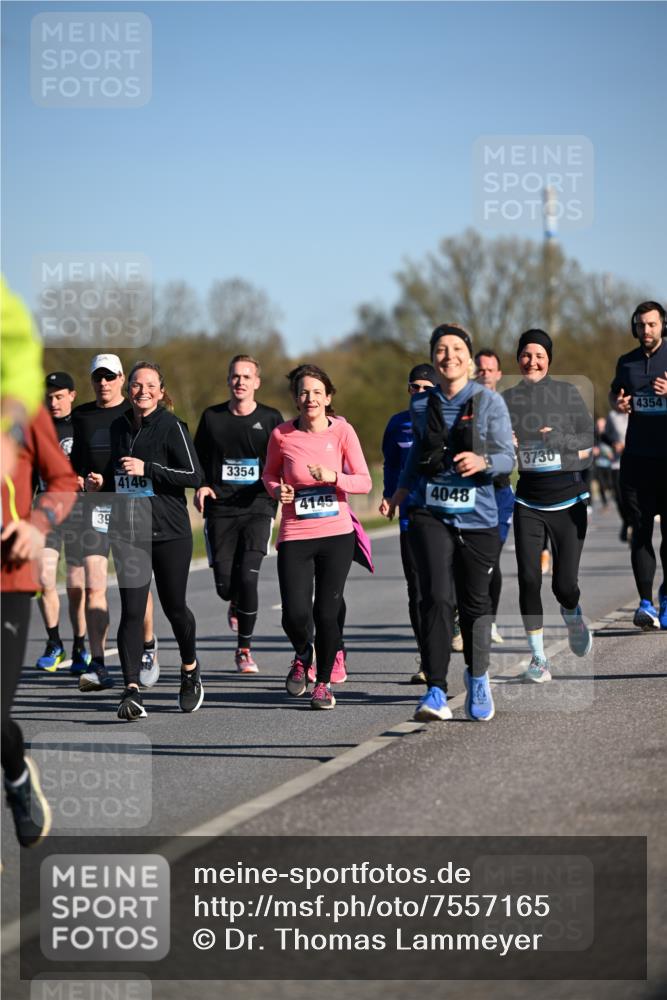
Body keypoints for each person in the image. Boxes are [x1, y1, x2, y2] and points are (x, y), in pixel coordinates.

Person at [387, 324, 515, 723]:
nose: (449, 355)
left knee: (475, 604)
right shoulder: (421, 405)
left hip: (479, 516)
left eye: (457, 348)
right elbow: (416, 455)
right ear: (434, 357)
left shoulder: (489, 402)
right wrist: (401, 490)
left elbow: (507, 459)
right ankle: (436, 690)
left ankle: (477, 677)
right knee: (436, 597)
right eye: (441, 349)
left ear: (469, 358)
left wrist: (483, 461)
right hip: (430, 511)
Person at [1, 278, 78, 846]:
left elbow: (63, 481)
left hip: (7, 574)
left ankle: (16, 773)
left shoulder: (22, 411)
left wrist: (36, 524)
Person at [89, 361, 204, 721]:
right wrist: (101, 483)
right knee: (133, 611)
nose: (143, 391)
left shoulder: (172, 426)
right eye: (137, 385)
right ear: (129, 390)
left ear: (161, 391)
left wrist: (148, 468)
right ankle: (131, 690)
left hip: (170, 532)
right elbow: (119, 474)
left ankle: (189, 669)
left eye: (150, 385)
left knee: (174, 607)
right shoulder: (119, 426)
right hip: (130, 532)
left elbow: (194, 475)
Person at [263, 364, 372, 710]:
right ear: (295, 398)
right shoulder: (281, 435)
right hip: (295, 534)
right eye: (303, 392)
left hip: (336, 535)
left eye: (316, 392)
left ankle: (323, 684)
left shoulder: (342, 431)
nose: (310, 398)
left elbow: (364, 481)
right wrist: (276, 490)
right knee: (294, 614)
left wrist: (333, 476)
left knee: (326, 613)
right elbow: (269, 475)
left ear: (328, 397)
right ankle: (302, 653)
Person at [503, 329, 594, 683]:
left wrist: (561, 439)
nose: (532, 361)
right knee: (528, 578)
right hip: (528, 501)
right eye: (526, 355)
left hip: (568, 499)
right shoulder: (507, 399)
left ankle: (573, 615)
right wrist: (505, 442)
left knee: (564, 586)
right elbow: (494, 446)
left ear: (549, 360)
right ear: (518, 359)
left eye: (539, 355)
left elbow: (588, 437)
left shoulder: (567, 393)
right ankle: (538, 659)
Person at [71, 354, 157, 691]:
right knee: (94, 585)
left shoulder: (135, 412)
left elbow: (149, 459)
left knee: (134, 586)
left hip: (130, 509)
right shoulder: (82, 416)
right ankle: (98, 664)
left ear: (122, 378)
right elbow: (75, 462)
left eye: (110, 377)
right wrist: (81, 479)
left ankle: (147, 648)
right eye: (98, 377)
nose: (103, 383)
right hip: (94, 510)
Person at [194, 356, 283, 673]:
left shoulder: (271, 418)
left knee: (248, 577)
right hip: (220, 508)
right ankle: (233, 600)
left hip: (258, 506)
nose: (240, 381)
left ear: (257, 382)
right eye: (235, 376)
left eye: (247, 376)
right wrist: (201, 485)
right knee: (225, 587)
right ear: (228, 380)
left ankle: (244, 649)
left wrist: (283, 487)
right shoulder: (212, 417)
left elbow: (283, 459)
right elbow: (196, 460)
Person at [610, 300, 667, 629]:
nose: (646, 330)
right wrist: (618, 403)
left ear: (663, 325)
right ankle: (645, 603)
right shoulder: (626, 362)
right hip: (637, 460)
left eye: (652, 324)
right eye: (641, 324)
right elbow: (614, 395)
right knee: (640, 531)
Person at [379, 363, 437, 683]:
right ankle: (427, 659)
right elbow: (391, 464)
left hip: (445, 515)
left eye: (427, 388)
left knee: (442, 590)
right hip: (410, 516)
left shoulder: (451, 419)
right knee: (416, 588)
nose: (420, 392)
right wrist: (389, 495)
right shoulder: (397, 424)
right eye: (415, 387)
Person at [34, 372, 90, 675]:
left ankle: (80, 645)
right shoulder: (38, 428)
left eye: (59, 396)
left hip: (78, 513)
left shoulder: (82, 425)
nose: (53, 402)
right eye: (49, 397)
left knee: (75, 583)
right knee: (44, 578)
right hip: (46, 513)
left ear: (72, 395)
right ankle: (54, 643)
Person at [474, 349, 516, 644]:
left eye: (490, 369)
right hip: (471, 492)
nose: (485, 374)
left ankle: (488, 621)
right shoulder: (462, 405)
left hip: (499, 492)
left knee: (491, 558)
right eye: (481, 369)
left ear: (499, 374)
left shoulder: (508, 407)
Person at [603, 400, 630, 542]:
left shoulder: (637, 413)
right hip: (617, 464)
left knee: (633, 497)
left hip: (635, 462)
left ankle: (634, 523)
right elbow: (604, 436)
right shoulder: (612, 416)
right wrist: (613, 444)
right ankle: (626, 521)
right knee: (619, 497)